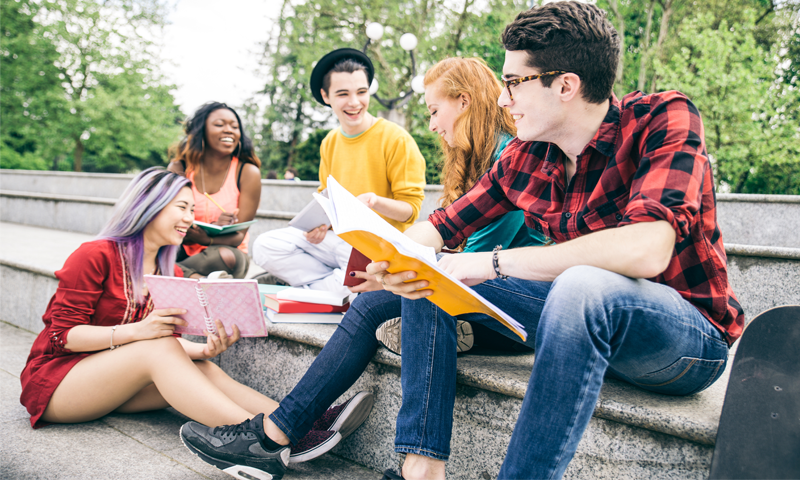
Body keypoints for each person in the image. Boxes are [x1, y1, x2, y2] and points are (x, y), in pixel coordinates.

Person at [181, 2, 745, 480]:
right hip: (570, 322)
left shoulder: (663, 118)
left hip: (680, 342)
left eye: (515, 82)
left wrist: (488, 265)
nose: (504, 98)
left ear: (566, 85)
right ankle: (409, 465)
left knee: (581, 286)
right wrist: (392, 258)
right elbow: (442, 227)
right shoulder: (531, 154)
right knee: (428, 277)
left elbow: (645, 250)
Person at [19, 168, 372, 466]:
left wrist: (204, 351)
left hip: (110, 380)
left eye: (192, 209)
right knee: (156, 348)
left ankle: (297, 421)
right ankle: (265, 442)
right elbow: (62, 336)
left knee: (202, 367)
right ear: (150, 207)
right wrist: (139, 330)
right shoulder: (95, 254)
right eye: (182, 207)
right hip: (57, 385)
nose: (191, 218)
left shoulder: (164, 268)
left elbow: (158, 346)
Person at [375, 56, 549, 355]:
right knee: (379, 302)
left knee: (421, 281)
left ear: (463, 101)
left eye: (434, 112)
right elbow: (446, 224)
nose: (431, 125)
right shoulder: (484, 160)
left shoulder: (515, 157)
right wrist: (394, 260)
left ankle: (464, 336)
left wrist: (409, 263)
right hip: (492, 279)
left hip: (523, 291)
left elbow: (479, 253)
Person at [252, 48, 426, 298]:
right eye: (343, 94)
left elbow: (411, 210)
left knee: (357, 278)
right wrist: (320, 224)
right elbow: (327, 196)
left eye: (362, 92)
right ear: (326, 96)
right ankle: (331, 290)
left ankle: (318, 290)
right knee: (264, 246)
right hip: (337, 240)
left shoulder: (396, 139)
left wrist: (374, 202)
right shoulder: (330, 141)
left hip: (375, 247)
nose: (354, 102)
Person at [168, 102, 262, 279]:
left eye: (234, 127)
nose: (229, 130)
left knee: (225, 256)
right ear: (201, 131)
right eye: (219, 125)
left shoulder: (247, 173)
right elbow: (166, 224)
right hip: (181, 248)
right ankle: (197, 279)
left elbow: (238, 237)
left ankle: (168, 273)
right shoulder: (179, 168)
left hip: (224, 254)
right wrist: (202, 230)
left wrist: (208, 238)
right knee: (153, 248)